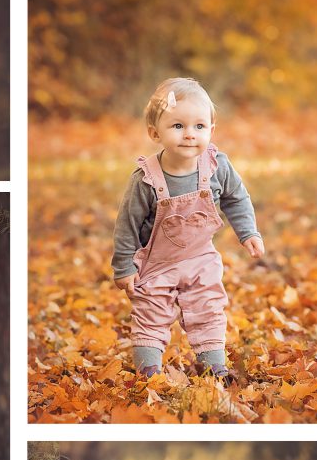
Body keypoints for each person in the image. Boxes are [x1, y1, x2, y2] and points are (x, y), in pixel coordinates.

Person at [112, 77, 264, 382]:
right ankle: (149, 372)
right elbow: (126, 224)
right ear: (155, 133)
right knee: (151, 315)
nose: (189, 134)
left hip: (200, 258)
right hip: (156, 264)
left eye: (199, 126)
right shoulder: (146, 179)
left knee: (208, 309)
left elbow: (236, 198)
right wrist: (124, 266)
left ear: (211, 129)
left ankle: (214, 367)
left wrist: (249, 233)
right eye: (178, 126)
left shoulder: (216, 166)